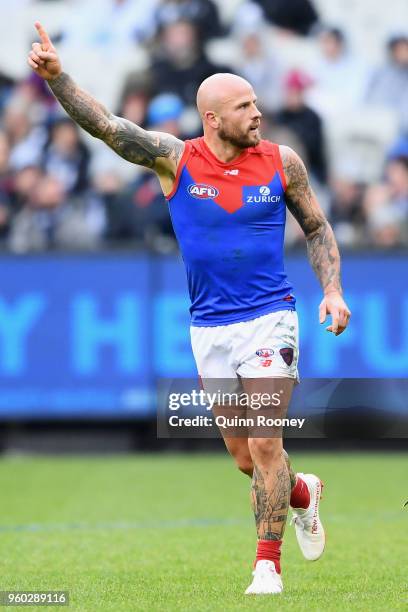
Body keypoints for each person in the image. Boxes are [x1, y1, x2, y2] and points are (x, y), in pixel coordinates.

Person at [28, 22, 351, 595]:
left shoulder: (282, 161)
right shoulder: (176, 160)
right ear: (213, 118)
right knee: (245, 459)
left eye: (256, 101)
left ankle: (266, 566)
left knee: (266, 442)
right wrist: (59, 79)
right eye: (244, 106)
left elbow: (318, 227)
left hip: (271, 316)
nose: (257, 113)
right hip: (211, 327)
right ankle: (303, 493)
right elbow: (106, 127)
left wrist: (332, 290)